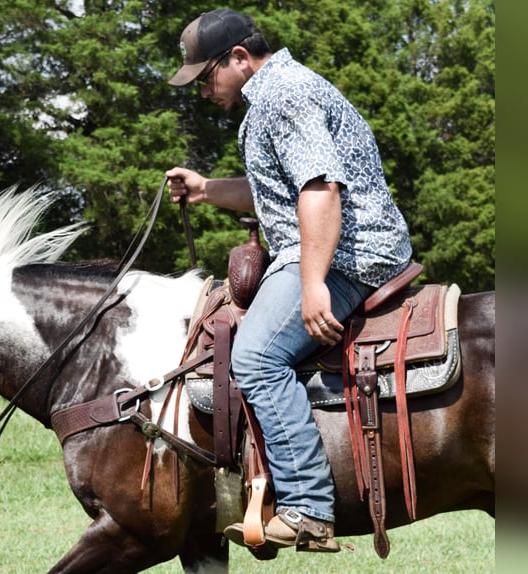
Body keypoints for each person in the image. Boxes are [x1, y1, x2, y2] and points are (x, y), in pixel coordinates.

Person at [165, 9, 412, 552]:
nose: (204, 91)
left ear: (239, 58)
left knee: (255, 357)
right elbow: (278, 193)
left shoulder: (284, 96)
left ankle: (307, 508)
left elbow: (320, 190)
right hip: (327, 246)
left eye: (207, 76)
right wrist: (207, 190)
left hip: (347, 253)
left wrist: (314, 283)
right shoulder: (275, 94)